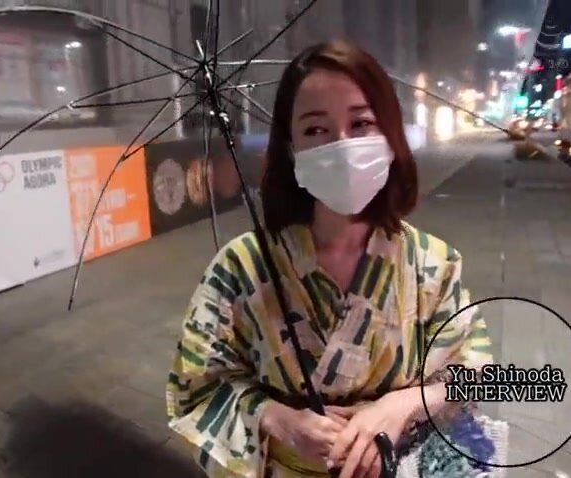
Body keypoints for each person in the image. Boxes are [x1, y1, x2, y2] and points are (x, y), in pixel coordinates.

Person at [166, 40, 492, 478]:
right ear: (291, 149)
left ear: (390, 137)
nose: (341, 144)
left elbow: (482, 375)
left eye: (361, 123)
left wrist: (405, 405)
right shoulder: (242, 268)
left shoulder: (434, 264)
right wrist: (276, 419)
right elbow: (194, 389)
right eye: (316, 129)